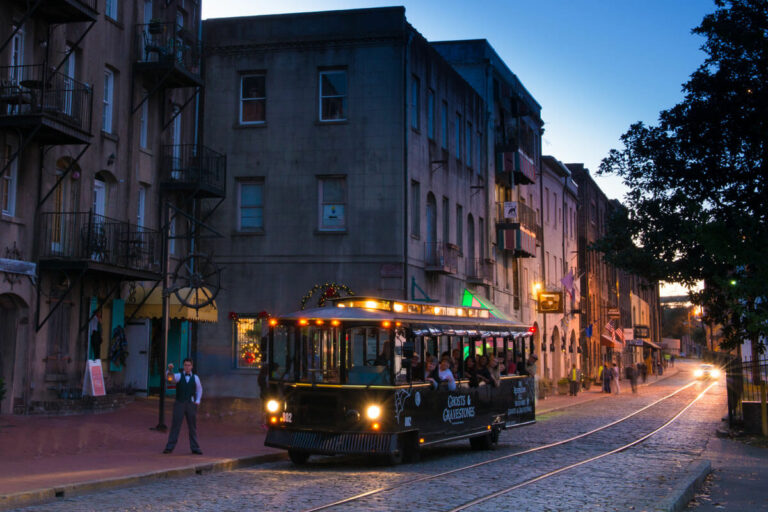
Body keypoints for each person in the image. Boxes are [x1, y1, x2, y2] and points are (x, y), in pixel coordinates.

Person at [163, 358, 203, 455]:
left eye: (189, 365)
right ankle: (169, 447)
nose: (187, 367)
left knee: (192, 427)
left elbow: (199, 389)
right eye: (185, 365)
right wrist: (169, 370)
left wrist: (197, 400)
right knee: (175, 426)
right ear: (183, 366)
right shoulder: (179, 376)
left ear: (192, 366)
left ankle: (195, 447)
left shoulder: (196, 378)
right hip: (179, 403)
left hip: (190, 404)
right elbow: (170, 379)